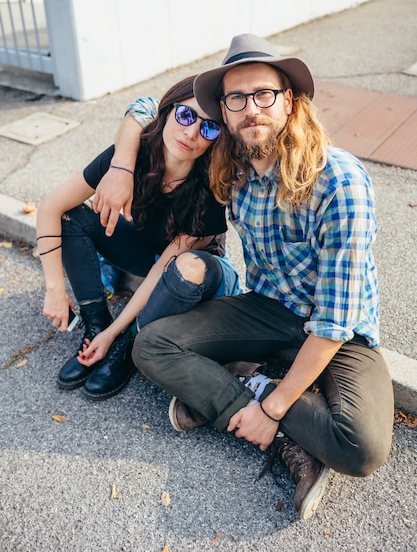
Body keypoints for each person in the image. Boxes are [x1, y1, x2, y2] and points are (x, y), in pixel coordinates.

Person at [127, 34, 393, 519]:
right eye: (237, 98)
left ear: (288, 101)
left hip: (341, 334)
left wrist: (273, 408)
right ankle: (258, 404)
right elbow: (148, 112)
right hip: (268, 311)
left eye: (263, 94)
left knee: (363, 448)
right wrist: (119, 169)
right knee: (150, 345)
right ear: (224, 113)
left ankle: (243, 394)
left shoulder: (339, 182)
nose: (251, 109)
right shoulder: (232, 170)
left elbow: (334, 320)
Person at [36, 75, 242, 401]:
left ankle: (129, 342)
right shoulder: (135, 155)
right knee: (72, 216)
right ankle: (93, 323)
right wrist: (56, 290)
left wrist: (115, 335)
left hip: (194, 275)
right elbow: (50, 207)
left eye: (209, 128)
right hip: (149, 254)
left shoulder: (210, 187)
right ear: (168, 112)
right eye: (186, 116)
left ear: (216, 139)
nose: (191, 133)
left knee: (178, 271)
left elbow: (164, 270)